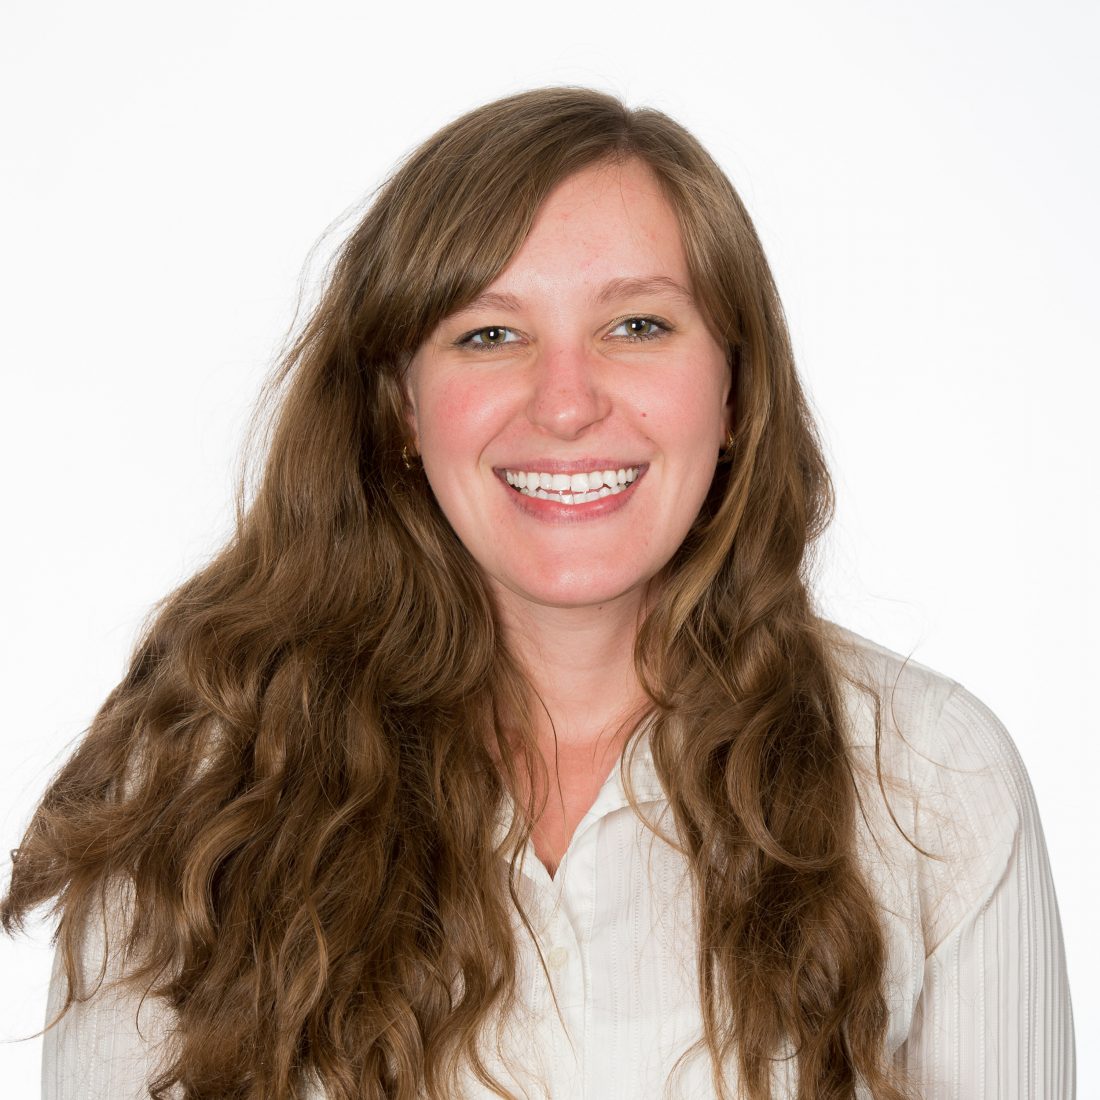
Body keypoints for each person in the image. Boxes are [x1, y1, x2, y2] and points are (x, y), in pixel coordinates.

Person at [1, 86, 1075, 1100]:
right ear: (399, 410)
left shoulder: (930, 779)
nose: (565, 405)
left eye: (638, 325)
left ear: (736, 387)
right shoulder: (202, 786)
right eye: (489, 333)